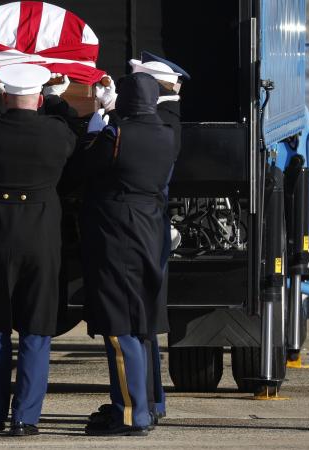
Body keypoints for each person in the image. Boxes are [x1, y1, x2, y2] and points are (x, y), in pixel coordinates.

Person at [0, 63, 77, 437]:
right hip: (40, 237)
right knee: (35, 331)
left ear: (4, 95)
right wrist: (58, 102)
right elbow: (76, 131)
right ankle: (26, 417)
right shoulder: (57, 133)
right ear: (39, 98)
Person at [63, 72, 176, 436]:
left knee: (119, 325)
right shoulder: (165, 133)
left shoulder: (118, 134)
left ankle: (131, 413)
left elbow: (82, 167)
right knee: (138, 323)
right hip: (148, 227)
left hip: (118, 234)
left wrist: (98, 121)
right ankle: (135, 406)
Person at [129, 50, 190, 424]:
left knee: (143, 318)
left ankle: (150, 400)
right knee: (144, 317)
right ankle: (152, 398)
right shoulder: (164, 118)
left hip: (146, 224)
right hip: (152, 223)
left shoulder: (162, 121)